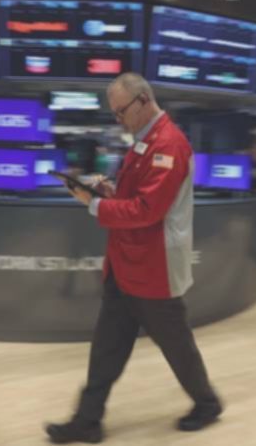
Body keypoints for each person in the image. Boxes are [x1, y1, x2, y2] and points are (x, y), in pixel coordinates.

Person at [46, 73, 222, 444]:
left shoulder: (168, 145)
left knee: (177, 345)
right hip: (126, 264)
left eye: (120, 111)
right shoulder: (144, 141)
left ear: (143, 100)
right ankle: (87, 420)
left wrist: (95, 204)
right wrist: (109, 192)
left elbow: (147, 210)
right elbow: (137, 197)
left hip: (154, 268)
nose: (118, 119)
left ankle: (207, 404)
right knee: (106, 349)